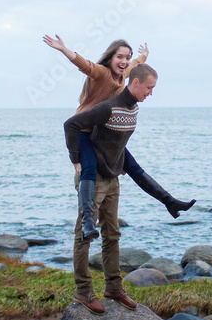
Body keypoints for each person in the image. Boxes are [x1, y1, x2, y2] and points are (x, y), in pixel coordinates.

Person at [43, 35, 195, 242]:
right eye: (119, 57)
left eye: (127, 57)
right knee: (88, 169)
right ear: (110, 57)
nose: (124, 61)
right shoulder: (103, 73)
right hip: (83, 132)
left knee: (134, 167)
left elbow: (136, 65)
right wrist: (63, 49)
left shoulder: (122, 77)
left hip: (100, 133)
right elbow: (85, 65)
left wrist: (143, 56)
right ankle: (88, 222)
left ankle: (170, 201)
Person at [64, 63, 158, 314]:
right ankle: (83, 290)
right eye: (149, 87)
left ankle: (114, 287)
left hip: (112, 177)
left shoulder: (132, 108)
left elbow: (115, 142)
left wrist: (119, 164)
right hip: (91, 179)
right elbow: (71, 125)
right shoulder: (108, 106)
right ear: (135, 82)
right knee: (84, 234)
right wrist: (76, 159)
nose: (151, 92)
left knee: (112, 234)